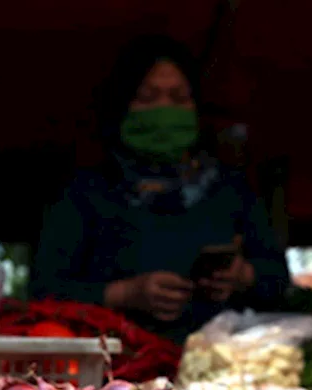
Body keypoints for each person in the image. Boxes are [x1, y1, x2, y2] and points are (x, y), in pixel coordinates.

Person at [30, 36, 291, 342]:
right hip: (115, 368)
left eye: (178, 97)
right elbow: (43, 291)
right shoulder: (87, 192)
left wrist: (241, 276)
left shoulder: (230, 190)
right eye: (147, 97)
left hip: (218, 364)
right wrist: (124, 293)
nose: (164, 109)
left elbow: (278, 280)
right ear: (121, 107)